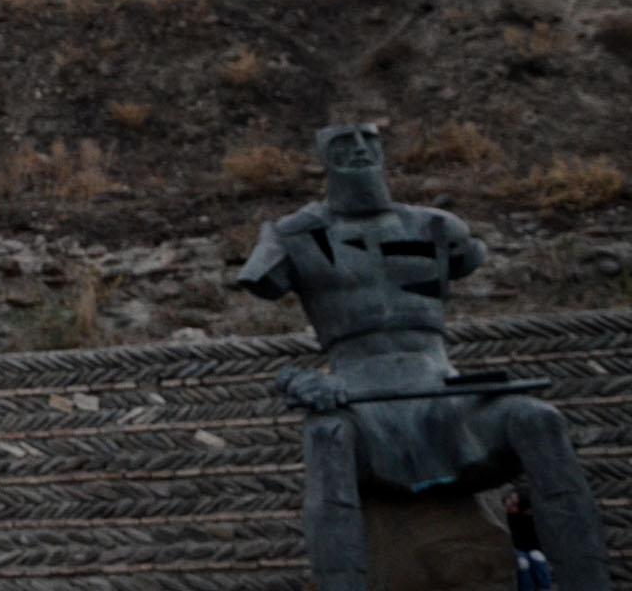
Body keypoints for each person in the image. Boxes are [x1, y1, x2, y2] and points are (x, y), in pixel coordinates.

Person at [235, 124, 608, 591]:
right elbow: (262, 283)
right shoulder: (294, 234)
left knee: (540, 420)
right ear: (323, 156)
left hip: (444, 395)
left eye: (368, 139)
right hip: (363, 402)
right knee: (328, 435)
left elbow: (468, 258)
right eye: (343, 143)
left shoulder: (437, 226)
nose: (359, 150)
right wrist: (295, 380)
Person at [506, 489, 553, 591]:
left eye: (515, 504)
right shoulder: (506, 517)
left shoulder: (527, 518)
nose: (510, 505)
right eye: (510, 501)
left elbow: (535, 541)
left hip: (530, 549)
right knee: (523, 563)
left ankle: (544, 588)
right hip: (516, 550)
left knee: (537, 557)